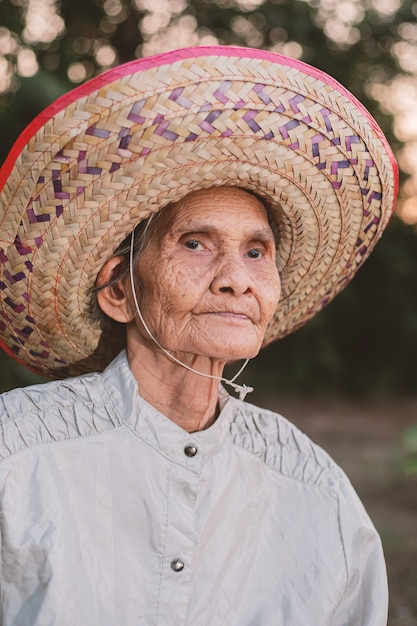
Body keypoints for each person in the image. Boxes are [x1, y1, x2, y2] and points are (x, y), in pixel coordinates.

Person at [0, 46, 397, 625]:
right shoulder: (17, 453)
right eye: (195, 243)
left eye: (256, 251)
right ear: (118, 291)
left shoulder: (316, 491)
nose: (237, 280)